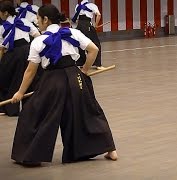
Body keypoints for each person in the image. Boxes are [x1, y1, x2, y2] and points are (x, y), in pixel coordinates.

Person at [10, 4, 117, 166]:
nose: (37, 22)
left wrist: (19, 93)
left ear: (46, 20)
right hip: (75, 77)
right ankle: (110, 150)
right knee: (88, 112)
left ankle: (31, 156)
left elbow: (30, 72)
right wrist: (84, 71)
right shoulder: (73, 32)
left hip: (52, 81)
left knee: (33, 113)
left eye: (38, 19)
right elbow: (93, 50)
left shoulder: (39, 41)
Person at [0, 0, 40, 116]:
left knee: (9, 79)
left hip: (13, 53)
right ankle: (32, 108)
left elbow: (1, 49)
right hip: (28, 51)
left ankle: (10, 108)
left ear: (6, 13)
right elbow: (37, 35)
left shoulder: (2, 28)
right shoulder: (24, 21)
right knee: (31, 78)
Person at [71, 0, 104, 70]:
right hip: (87, 26)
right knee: (96, 44)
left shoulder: (77, 6)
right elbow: (99, 15)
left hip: (79, 26)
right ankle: (98, 65)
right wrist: (96, 25)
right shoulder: (92, 5)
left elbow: (77, 19)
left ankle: (81, 63)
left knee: (81, 44)